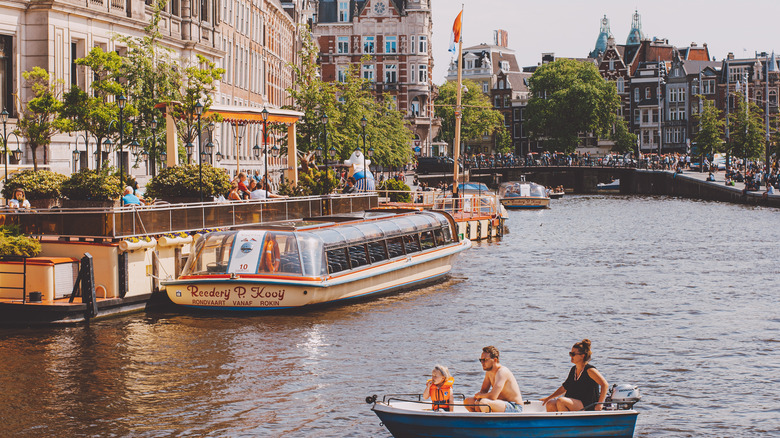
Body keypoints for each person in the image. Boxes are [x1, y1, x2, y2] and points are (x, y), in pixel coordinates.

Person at [541, 339, 609, 412]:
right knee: (550, 403)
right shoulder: (574, 369)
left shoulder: (590, 370)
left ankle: (567, 422)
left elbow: (605, 385)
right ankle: (556, 423)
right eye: (570, 354)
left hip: (587, 404)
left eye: (573, 354)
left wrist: (599, 404)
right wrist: (549, 398)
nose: (571, 356)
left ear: (582, 356)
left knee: (561, 401)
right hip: (574, 401)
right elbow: (564, 387)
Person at [464, 346, 523, 413]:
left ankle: (488, 422)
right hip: (500, 404)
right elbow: (483, 391)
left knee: (484, 403)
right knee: (467, 401)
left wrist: (480, 396)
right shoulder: (489, 372)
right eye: (481, 360)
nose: (482, 363)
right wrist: (478, 401)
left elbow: (493, 396)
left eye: (485, 360)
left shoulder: (502, 372)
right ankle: (478, 422)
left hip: (514, 406)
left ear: (495, 360)